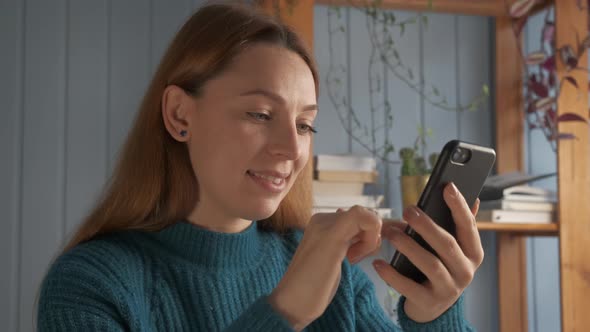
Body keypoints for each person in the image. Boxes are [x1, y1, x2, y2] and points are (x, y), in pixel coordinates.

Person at [37, 2, 484, 331]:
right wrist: (284, 311)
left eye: (306, 125)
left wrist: (434, 315)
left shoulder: (334, 277)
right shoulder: (89, 284)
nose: (291, 148)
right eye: (260, 114)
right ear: (179, 115)